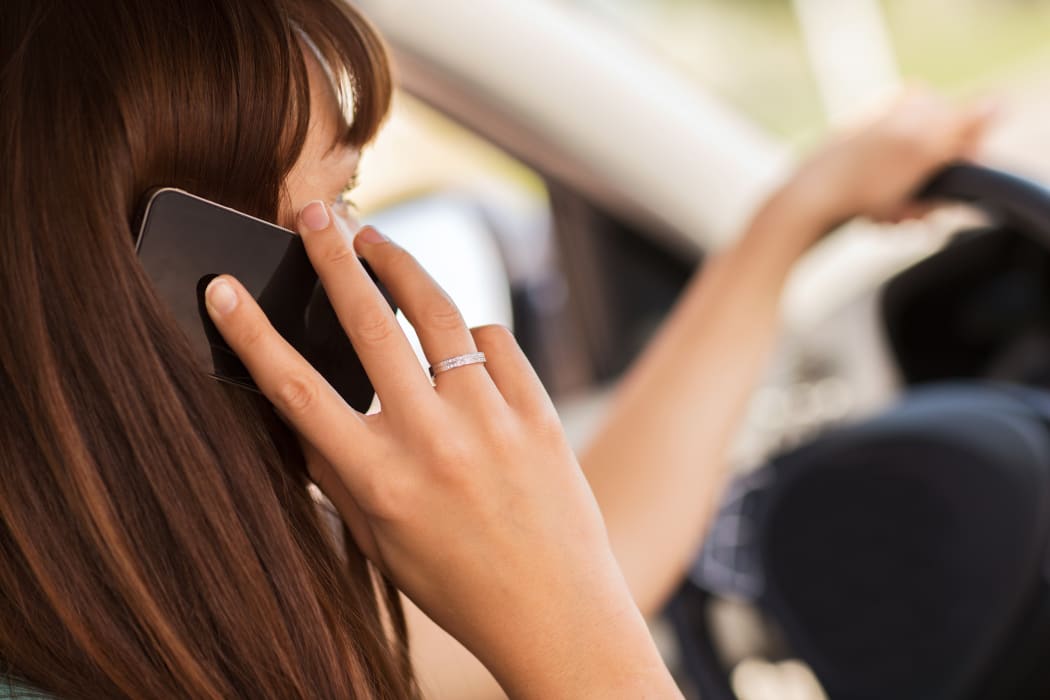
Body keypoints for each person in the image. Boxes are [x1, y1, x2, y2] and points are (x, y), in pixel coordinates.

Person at [0, 0, 992, 698]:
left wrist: (797, 211)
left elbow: (561, 582)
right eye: (334, 207)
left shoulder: (175, 621)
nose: (361, 273)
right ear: (185, 291)